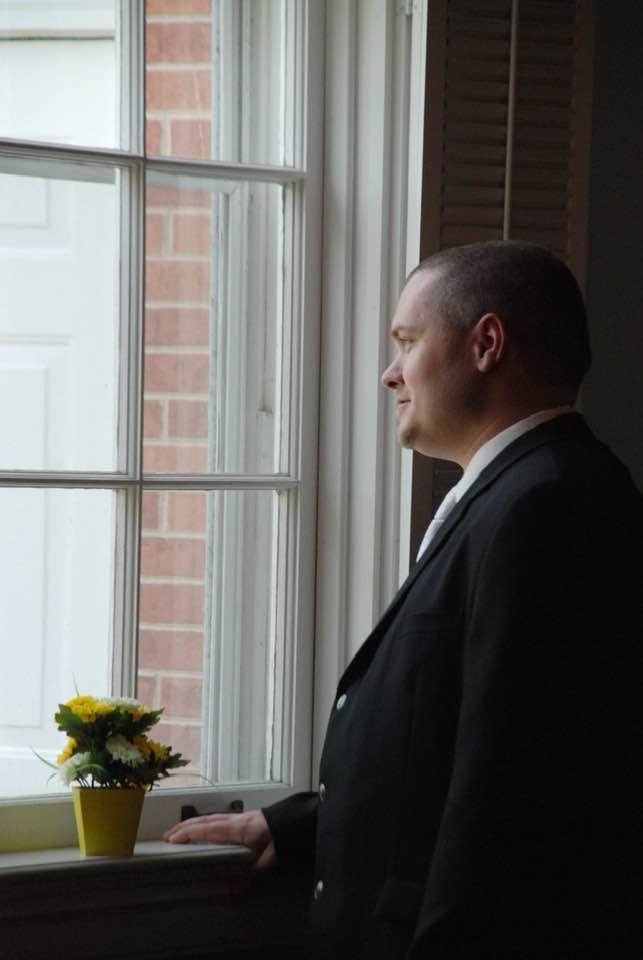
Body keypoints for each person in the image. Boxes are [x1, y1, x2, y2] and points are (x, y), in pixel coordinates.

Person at [164, 242, 643, 957]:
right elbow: (436, 751)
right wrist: (296, 827)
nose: (390, 372)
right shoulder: (511, 494)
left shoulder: (545, 506)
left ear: (486, 344)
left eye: (408, 342)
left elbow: (507, 794)